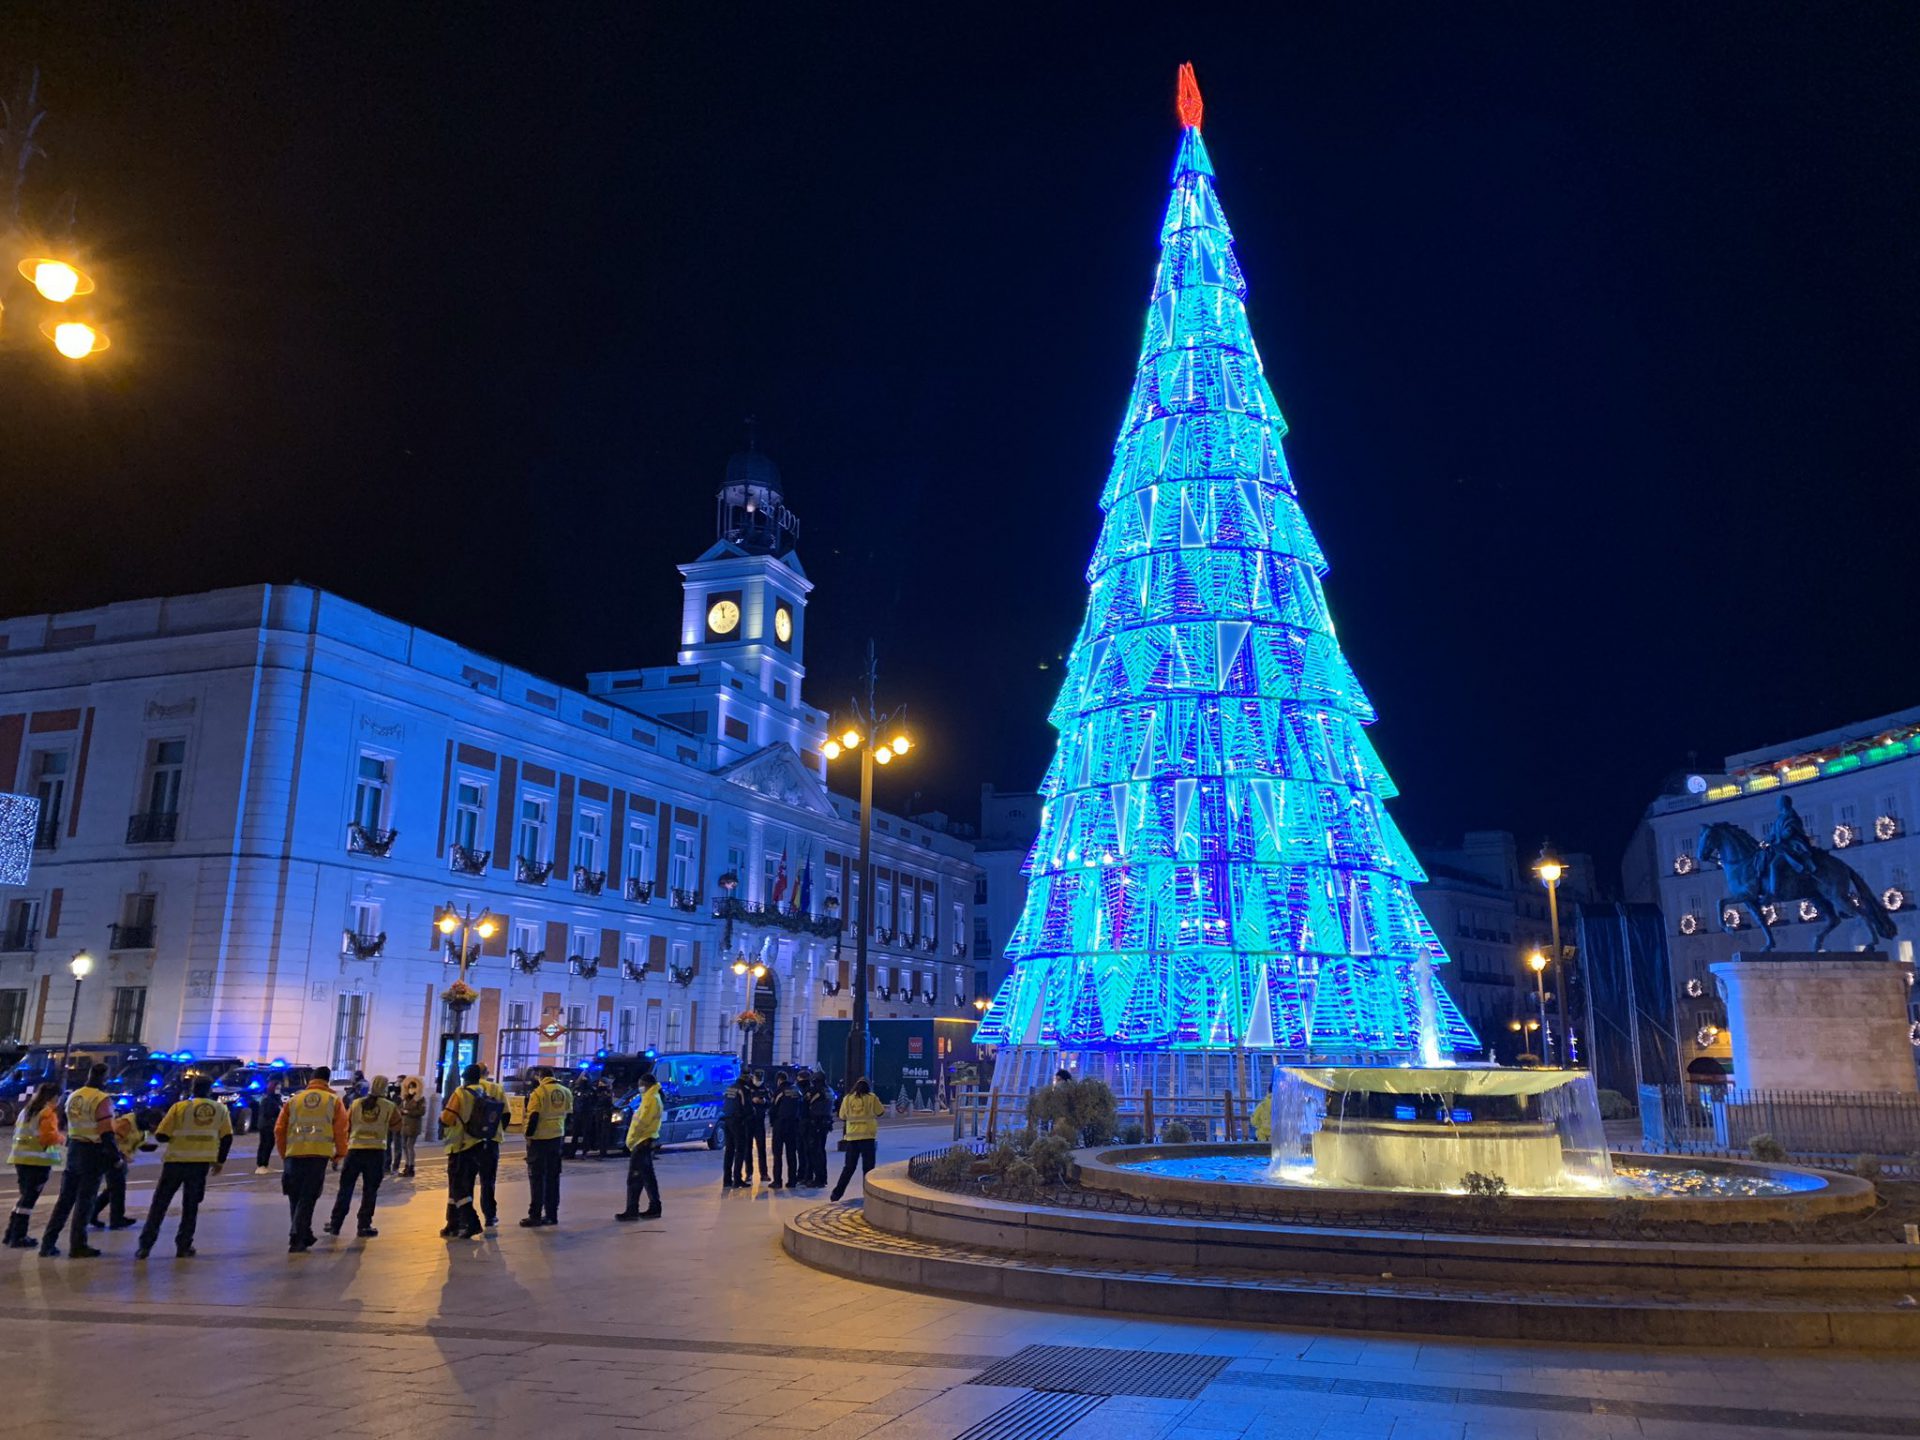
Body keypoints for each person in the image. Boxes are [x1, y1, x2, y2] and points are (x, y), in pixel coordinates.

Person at [137, 1074, 233, 1259]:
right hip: (200, 1166)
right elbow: (227, 1137)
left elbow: (161, 1135)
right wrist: (220, 1161)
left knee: (159, 1205)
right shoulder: (220, 1109)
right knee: (191, 1207)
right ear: (210, 1090)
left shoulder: (179, 1107)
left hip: (175, 1163)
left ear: (192, 1090)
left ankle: (145, 1246)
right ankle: (183, 1246)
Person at [38, 1062, 114, 1258]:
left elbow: (63, 1120)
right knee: (85, 1202)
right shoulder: (101, 1099)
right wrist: (115, 1158)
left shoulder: (74, 1095)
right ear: (104, 1077)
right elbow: (106, 1132)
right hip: (92, 1152)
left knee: (65, 1200)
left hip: (74, 1150)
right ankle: (78, 1245)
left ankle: (48, 1243)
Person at [275, 1065, 347, 1253]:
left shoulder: (294, 1100)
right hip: (318, 1155)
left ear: (311, 1080)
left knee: (295, 1196)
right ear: (328, 1080)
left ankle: (302, 1233)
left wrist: (285, 1153)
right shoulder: (333, 1101)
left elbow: (279, 1129)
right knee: (308, 1197)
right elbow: (341, 1130)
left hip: (294, 1154)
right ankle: (297, 1236)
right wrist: (340, 1153)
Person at [327, 1075, 399, 1238]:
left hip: (355, 1151)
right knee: (370, 1190)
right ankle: (364, 1225)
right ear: (385, 1088)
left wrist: (339, 1150)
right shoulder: (389, 1106)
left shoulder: (357, 1103)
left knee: (345, 1188)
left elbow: (346, 1125)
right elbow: (397, 1125)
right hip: (376, 1153)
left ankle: (335, 1223)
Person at [439, 1063, 499, 1239]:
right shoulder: (483, 1092)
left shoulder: (461, 1093)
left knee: (457, 1188)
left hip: (459, 1145)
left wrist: (442, 1119)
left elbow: (448, 1118)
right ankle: (453, 1223)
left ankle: (470, 1222)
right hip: (477, 1144)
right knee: (462, 1185)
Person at [5, 1081, 62, 1248]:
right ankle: (18, 1237)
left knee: (24, 1198)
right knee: (28, 1201)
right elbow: (47, 1138)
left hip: (20, 1159)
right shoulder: (47, 1113)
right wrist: (61, 1138)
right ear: (54, 1097)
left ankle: (11, 1233)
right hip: (37, 1162)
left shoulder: (26, 1110)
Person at [519, 1065, 573, 1228]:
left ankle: (534, 1215)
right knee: (553, 1177)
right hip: (556, 1138)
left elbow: (534, 1116)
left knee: (536, 1178)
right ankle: (551, 1214)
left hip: (539, 1139)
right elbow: (569, 1116)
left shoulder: (539, 1093)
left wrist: (528, 1136)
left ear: (540, 1077)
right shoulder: (566, 1091)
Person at [614, 1066, 663, 1221]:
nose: (639, 1087)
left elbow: (642, 1123)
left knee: (635, 1178)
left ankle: (632, 1210)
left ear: (646, 1084)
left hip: (642, 1142)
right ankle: (654, 1207)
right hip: (645, 1141)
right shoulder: (652, 1098)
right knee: (647, 1177)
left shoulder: (651, 1100)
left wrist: (632, 1140)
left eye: (640, 1084)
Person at [829, 1077, 886, 1202]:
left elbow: (842, 1115)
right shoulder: (872, 1098)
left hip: (852, 1138)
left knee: (848, 1168)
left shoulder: (848, 1099)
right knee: (868, 1169)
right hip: (868, 1137)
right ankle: (869, 1195)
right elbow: (880, 1111)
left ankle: (836, 1194)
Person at [89, 1109, 146, 1231]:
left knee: (114, 1189)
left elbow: (133, 1140)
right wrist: (117, 1156)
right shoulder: (127, 1122)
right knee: (117, 1188)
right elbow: (113, 1139)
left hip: (120, 1157)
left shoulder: (140, 1126)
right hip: (113, 1157)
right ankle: (116, 1219)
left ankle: (93, 1214)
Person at [472, 1064, 508, 1226]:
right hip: (492, 1139)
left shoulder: (466, 1088)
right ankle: (490, 1215)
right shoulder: (497, 1088)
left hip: (471, 1140)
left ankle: (467, 1216)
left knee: (467, 1180)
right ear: (487, 1073)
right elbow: (506, 1114)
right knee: (488, 1180)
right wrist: (498, 1130)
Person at [768, 1071, 805, 1189]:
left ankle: (777, 1181)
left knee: (777, 1154)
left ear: (779, 1080)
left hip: (780, 1125)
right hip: (794, 1126)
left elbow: (773, 1108)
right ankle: (792, 1180)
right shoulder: (797, 1091)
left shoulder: (779, 1091)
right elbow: (802, 1106)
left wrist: (773, 1122)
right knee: (792, 1154)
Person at [719, 1071, 750, 1189]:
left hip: (727, 1120)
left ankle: (727, 1180)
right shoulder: (744, 1089)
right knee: (740, 1150)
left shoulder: (730, 1088)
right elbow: (747, 1107)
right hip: (738, 1122)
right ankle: (737, 1179)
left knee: (729, 1151)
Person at [803, 1072, 833, 1187]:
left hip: (816, 1124)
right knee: (821, 1151)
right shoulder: (829, 1090)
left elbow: (806, 1101)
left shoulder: (816, 1091)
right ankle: (823, 1178)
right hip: (825, 1124)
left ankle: (818, 1179)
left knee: (815, 1152)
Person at [397, 1076, 427, 1177]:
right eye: (409, 1087)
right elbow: (400, 1107)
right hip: (404, 1125)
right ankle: (406, 1165)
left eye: (413, 1087)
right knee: (404, 1146)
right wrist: (401, 1111)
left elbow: (421, 1112)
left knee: (410, 1146)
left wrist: (408, 1112)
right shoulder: (405, 1098)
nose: (411, 1089)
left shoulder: (420, 1099)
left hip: (413, 1125)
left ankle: (411, 1167)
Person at [253, 1078, 284, 1174]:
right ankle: (261, 1165)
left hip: (270, 1125)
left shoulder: (276, 1098)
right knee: (266, 1144)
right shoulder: (268, 1099)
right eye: (277, 1087)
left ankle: (265, 1165)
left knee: (268, 1145)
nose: (278, 1089)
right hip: (267, 1125)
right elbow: (269, 1112)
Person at [745, 1071, 772, 1182]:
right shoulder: (747, 1087)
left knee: (761, 1149)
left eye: (760, 1079)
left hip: (759, 1122)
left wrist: (764, 1101)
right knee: (748, 1148)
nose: (759, 1081)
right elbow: (742, 1102)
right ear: (753, 1077)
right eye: (757, 1078)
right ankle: (748, 1173)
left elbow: (771, 1101)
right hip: (748, 1121)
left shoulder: (765, 1088)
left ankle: (764, 1174)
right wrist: (752, 1100)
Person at [384, 1076, 406, 1175]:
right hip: (388, 1122)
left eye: (400, 1081)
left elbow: (400, 1106)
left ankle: (395, 1167)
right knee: (387, 1144)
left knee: (398, 1145)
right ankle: (386, 1166)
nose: (398, 1083)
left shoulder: (405, 1094)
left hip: (398, 1123)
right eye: (397, 1081)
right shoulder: (392, 1092)